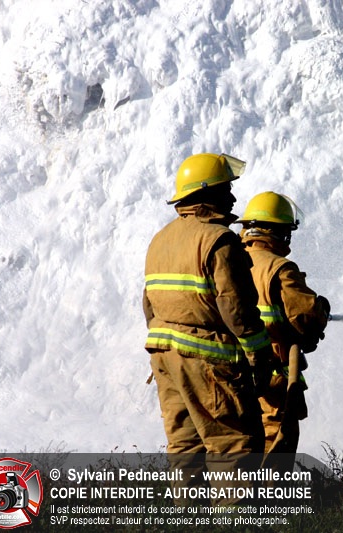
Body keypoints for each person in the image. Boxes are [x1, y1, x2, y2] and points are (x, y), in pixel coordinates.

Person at [143, 153, 276, 503]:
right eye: (225, 189)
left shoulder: (160, 239)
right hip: (208, 360)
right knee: (233, 444)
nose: (232, 198)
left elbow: (149, 304)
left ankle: (187, 518)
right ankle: (235, 520)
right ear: (207, 193)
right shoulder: (219, 240)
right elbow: (236, 309)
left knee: (185, 445)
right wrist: (259, 354)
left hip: (163, 356)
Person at [236, 192, 330, 464]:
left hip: (231, 372)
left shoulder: (229, 260)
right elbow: (306, 316)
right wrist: (322, 310)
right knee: (274, 441)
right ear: (278, 232)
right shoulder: (280, 268)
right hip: (272, 377)